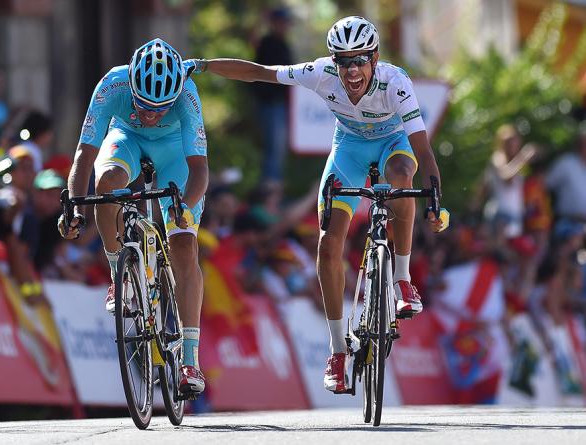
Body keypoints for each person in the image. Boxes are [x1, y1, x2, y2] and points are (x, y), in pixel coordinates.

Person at [186, 16, 449, 393]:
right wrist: (205, 65)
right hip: (349, 153)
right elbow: (261, 72)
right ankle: (338, 350)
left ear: (375, 59)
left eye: (360, 60)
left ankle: (402, 281)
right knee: (329, 244)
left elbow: (422, 149)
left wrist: (435, 201)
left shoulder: (396, 83)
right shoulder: (320, 73)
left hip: (394, 145)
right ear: (333, 62)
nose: (352, 70)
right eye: (344, 61)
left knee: (403, 175)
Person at [58, 38, 208, 396]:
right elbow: (84, 154)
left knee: (184, 246)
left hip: (175, 153)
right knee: (107, 182)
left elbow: (199, 169)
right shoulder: (113, 83)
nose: (150, 113)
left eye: (159, 108)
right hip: (125, 139)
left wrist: (184, 209)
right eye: (143, 104)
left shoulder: (187, 93)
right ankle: (119, 274)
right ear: (133, 87)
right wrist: (76, 206)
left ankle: (190, 360)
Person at [251, 7, 293, 180]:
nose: (285, 26)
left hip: (280, 104)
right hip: (270, 104)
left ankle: (273, 189)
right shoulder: (267, 42)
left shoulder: (283, 43)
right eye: (281, 22)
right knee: (273, 150)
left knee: (278, 150)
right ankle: (270, 189)